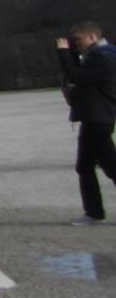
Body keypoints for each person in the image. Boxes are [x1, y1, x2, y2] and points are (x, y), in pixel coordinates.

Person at [56, 22, 116, 226]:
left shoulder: (102, 55)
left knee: (106, 166)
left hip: (97, 117)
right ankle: (93, 212)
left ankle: (94, 212)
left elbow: (78, 77)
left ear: (92, 36)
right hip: (97, 116)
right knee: (87, 166)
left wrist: (64, 54)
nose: (76, 44)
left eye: (78, 40)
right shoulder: (104, 53)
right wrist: (71, 55)